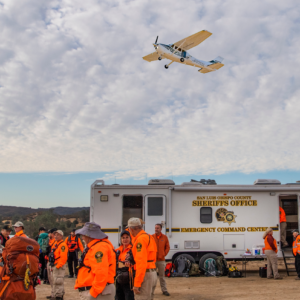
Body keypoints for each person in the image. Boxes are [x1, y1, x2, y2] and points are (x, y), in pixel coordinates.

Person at [74, 222, 116, 300]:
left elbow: (101, 272)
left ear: (89, 236)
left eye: (83, 235)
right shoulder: (96, 246)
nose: (82, 238)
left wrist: (93, 293)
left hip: (98, 293)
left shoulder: (99, 248)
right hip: (99, 292)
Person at [127, 218, 157, 300]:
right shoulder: (149, 237)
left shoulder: (140, 239)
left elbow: (141, 263)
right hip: (152, 273)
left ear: (132, 229)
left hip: (145, 274)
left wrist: (137, 283)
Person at [48, 230, 68, 300]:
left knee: (58, 281)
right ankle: (57, 295)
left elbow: (63, 257)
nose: (56, 236)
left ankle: (59, 296)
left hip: (58, 265)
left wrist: (58, 266)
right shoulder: (56, 243)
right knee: (55, 281)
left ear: (62, 236)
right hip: (55, 264)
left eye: (58, 235)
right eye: (55, 235)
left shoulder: (63, 245)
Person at [115, 230, 134, 300]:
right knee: (118, 297)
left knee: (129, 297)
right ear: (121, 239)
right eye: (123, 238)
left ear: (130, 238)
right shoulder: (117, 250)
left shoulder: (132, 250)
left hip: (129, 279)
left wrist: (131, 262)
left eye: (127, 237)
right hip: (118, 279)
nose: (125, 239)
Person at [152, 224, 170, 296]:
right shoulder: (152, 237)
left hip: (161, 260)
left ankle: (164, 290)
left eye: (158, 228)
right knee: (153, 277)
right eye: (155, 228)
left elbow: (167, 247)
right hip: (153, 261)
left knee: (162, 276)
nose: (156, 229)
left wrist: (163, 254)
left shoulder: (165, 237)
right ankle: (151, 291)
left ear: (161, 229)